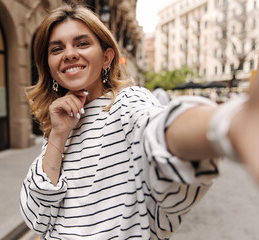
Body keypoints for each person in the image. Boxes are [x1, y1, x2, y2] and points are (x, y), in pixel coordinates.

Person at [20, 4, 259, 239]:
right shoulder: (59, 121)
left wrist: (226, 124)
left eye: (82, 43)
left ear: (106, 57)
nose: (69, 53)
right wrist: (58, 135)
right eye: (56, 49)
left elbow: (159, 130)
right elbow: (37, 218)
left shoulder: (127, 102)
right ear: (49, 66)